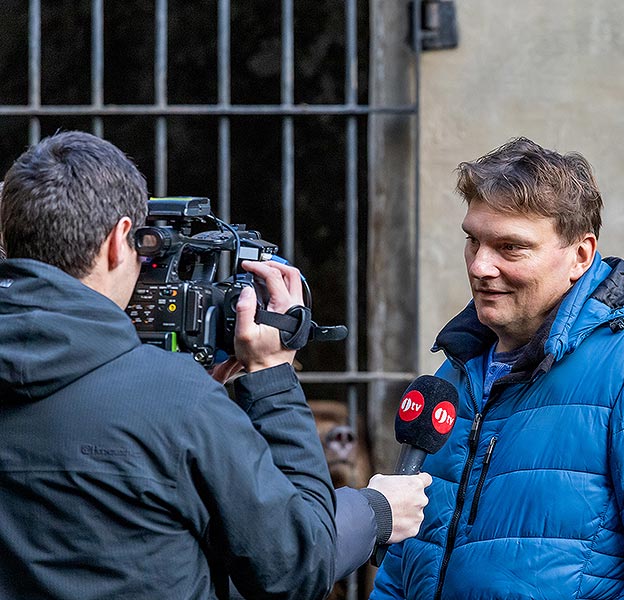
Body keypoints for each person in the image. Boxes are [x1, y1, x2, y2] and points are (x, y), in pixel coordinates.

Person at [0, 131, 431, 600]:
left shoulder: (175, 398)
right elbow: (295, 563)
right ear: (118, 241)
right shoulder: (177, 403)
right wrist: (375, 510)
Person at [370, 137, 624, 599]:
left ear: (580, 256)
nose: (481, 266)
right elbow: (402, 571)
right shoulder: (456, 373)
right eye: (473, 240)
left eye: (511, 248)